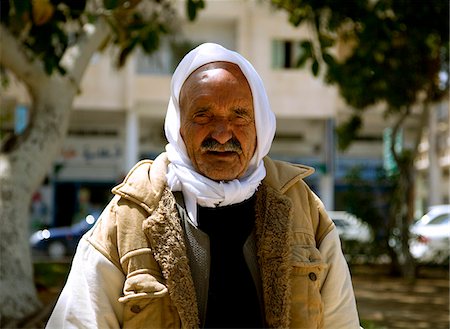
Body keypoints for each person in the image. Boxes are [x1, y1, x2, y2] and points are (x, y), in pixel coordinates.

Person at [46, 42, 362, 329]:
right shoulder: (130, 215)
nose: (223, 133)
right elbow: (78, 320)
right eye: (203, 115)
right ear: (177, 124)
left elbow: (341, 322)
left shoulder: (300, 206)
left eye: (240, 115)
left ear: (261, 124)